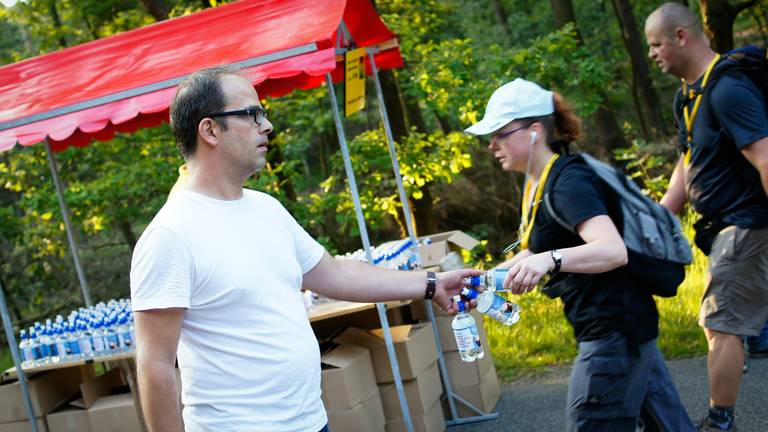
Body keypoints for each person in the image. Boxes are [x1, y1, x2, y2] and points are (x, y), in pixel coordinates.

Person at [130, 66, 482, 432]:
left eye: (263, 114)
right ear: (210, 130)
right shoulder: (170, 235)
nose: (266, 126)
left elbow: (337, 274)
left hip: (311, 422)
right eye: (252, 114)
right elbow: (155, 364)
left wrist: (431, 283)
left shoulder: (267, 208)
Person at [464, 78, 695, 431]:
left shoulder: (567, 182)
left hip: (613, 332)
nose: (492, 144)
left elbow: (611, 249)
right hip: (628, 328)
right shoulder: (540, 181)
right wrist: (480, 281)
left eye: (499, 133)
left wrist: (550, 261)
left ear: (534, 131)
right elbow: (534, 248)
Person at [645, 3, 768, 430]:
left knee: (719, 322)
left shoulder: (728, 90)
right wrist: (661, 216)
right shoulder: (689, 96)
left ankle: (719, 421)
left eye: (656, 44)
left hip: (746, 224)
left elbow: (766, 159)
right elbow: (688, 161)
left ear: (681, 36)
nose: (652, 54)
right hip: (721, 229)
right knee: (721, 322)